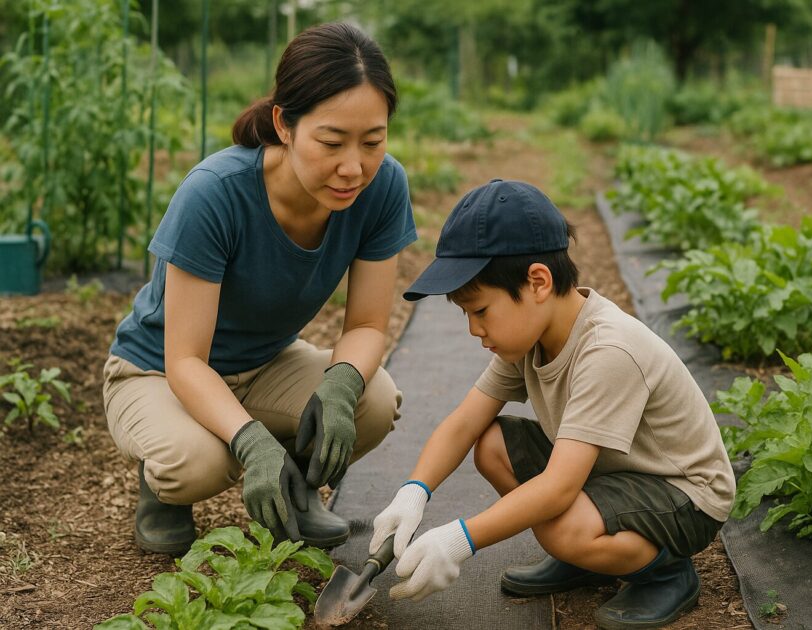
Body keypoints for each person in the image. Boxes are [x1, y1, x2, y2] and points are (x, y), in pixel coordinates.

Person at [101, 23, 416, 556]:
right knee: (196, 462)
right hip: (159, 371)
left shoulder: (382, 186)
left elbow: (364, 325)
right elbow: (185, 361)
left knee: (374, 399)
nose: (353, 167)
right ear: (284, 125)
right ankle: (163, 494)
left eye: (373, 141)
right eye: (332, 142)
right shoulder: (215, 194)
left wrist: (340, 386)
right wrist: (249, 442)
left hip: (266, 363)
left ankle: (293, 484)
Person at [369, 179, 735, 628]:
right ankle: (588, 559)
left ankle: (666, 574)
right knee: (491, 443)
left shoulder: (609, 351)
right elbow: (466, 421)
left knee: (564, 525)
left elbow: (560, 488)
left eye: (480, 310)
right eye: (465, 314)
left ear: (538, 281)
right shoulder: (528, 338)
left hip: (680, 491)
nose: (473, 329)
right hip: (610, 470)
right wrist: (414, 492)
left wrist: (460, 539)